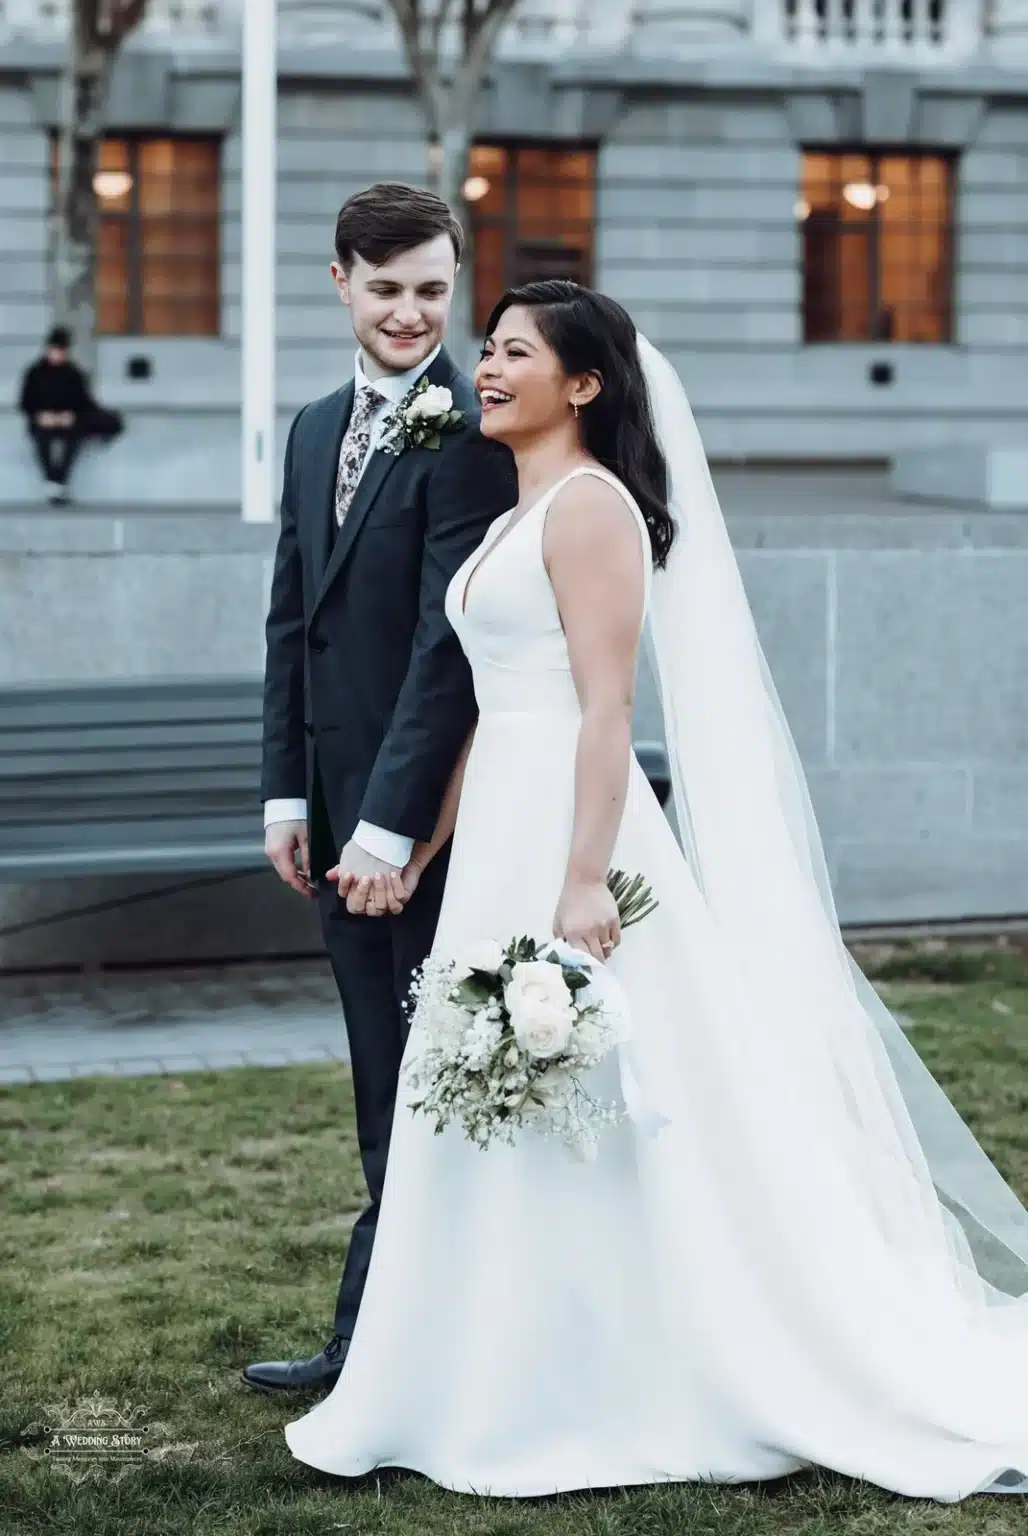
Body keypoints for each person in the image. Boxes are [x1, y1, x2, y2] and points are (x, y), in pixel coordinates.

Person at [284, 282, 1028, 1499]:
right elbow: (484, 703)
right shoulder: (504, 517)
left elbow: (604, 708)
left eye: (514, 353)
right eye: (491, 351)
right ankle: (483, 1368)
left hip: (578, 838)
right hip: (497, 833)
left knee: (625, 1094)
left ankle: (649, 1364)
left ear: (581, 384)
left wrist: (584, 882)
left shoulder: (590, 511)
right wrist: (422, 842)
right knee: (486, 1093)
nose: (488, 368)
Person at [246, 184, 516, 1394]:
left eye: (433, 292)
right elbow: (291, 621)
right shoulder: (310, 428)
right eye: (389, 288)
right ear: (340, 280)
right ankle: (392, 1336)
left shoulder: (471, 431)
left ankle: (386, 1344)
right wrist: (285, 799)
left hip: (422, 830)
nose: (412, 315)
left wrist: (389, 828)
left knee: (428, 1082)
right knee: (378, 1076)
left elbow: (442, 649)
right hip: (330, 813)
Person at [18, 326, 122, 503]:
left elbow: (84, 402)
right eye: (55, 350)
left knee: (73, 438)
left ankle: (56, 482)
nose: (57, 354)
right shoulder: (34, 373)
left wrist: (69, 416)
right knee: (42, 439)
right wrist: (41, 416)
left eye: (61, 350)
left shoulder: (73, 373)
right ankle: (54, 482)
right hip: (42, 422)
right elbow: (25, 402)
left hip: (68, 422)